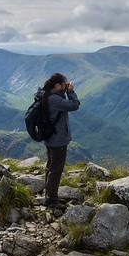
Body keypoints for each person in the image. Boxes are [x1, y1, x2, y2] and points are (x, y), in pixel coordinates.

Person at [34, 72, 80, 209]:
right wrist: (71, 91)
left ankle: (50, 195)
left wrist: (64, 91)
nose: (66, 86)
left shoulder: (47, 95)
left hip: (50, 138)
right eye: (64, 84)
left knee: (51, 166)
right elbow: (74, 105)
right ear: (58, 85)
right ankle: (52, 200)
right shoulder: (54, 99)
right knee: (56, 169)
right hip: (58, 140)